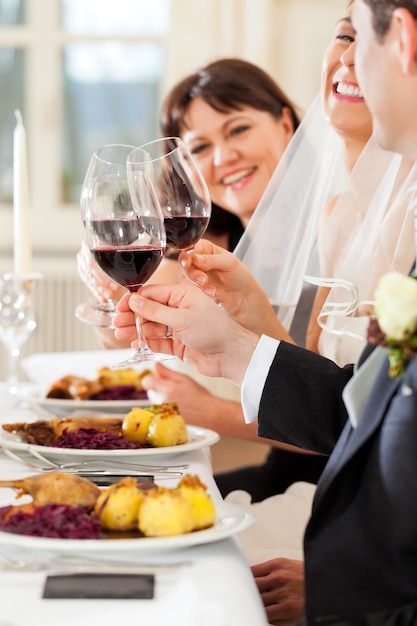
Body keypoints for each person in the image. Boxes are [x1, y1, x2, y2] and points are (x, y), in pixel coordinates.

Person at [113, 0, 417, 622]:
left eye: (355, 34)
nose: (220, 159)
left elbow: (359, 428)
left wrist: (343, 584)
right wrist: (237, 337)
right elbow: (358, 406)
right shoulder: (349, 215)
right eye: (199, 145)